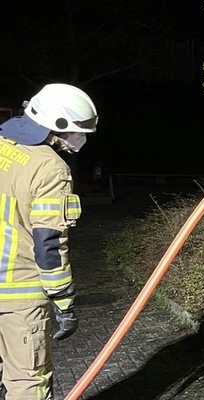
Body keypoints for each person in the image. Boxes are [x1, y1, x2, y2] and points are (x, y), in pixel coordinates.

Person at [0, 83, 98, 399]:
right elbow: (49, 245)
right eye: (76, 131)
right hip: (18, 294)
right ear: (57, 125)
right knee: (28, 382)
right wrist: (64, 302)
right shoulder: (50, 168)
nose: (79, 140)